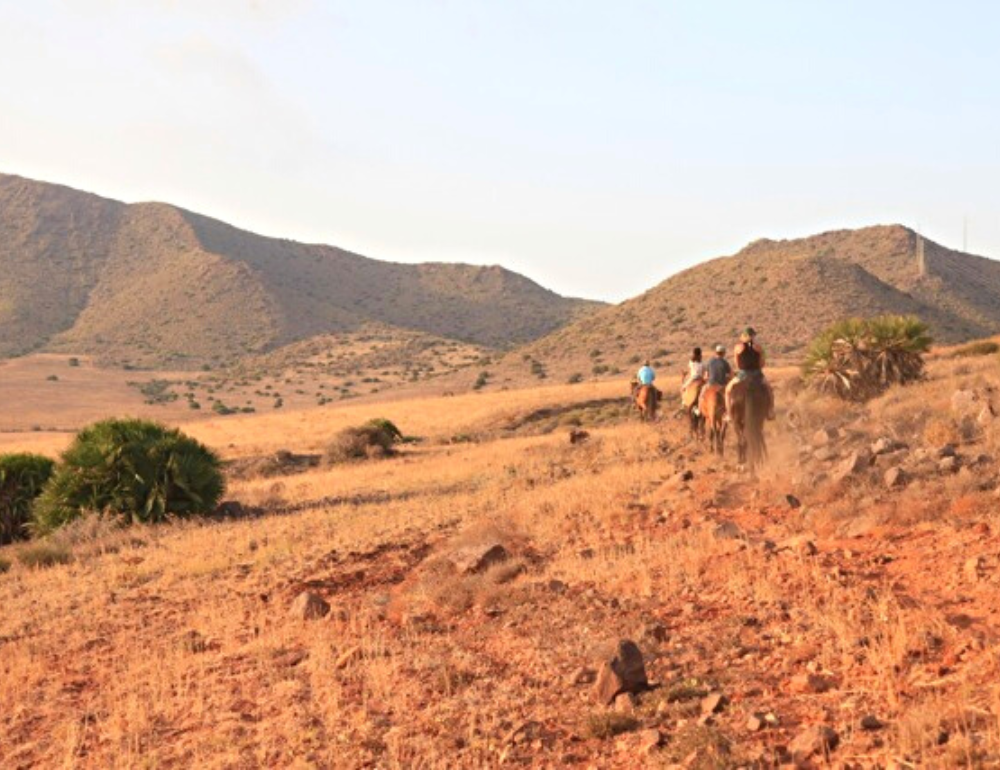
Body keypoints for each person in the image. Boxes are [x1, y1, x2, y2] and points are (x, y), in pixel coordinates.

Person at [725, 328, 775, 420]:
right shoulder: (759, 347)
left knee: (727, 391)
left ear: (744, 336)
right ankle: (770, 411)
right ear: (753, 336)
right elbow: (762, 364)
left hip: (743, 374)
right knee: (769, 390)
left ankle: (729, 414)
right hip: (757, 374)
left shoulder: (737, 347)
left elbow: (737, 364)